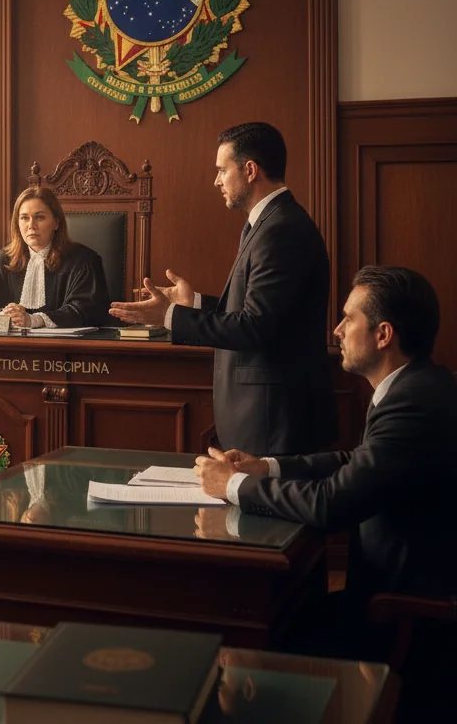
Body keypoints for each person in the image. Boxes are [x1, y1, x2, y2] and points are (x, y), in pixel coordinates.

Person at [195, 266, 457, 657]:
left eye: (349, 319)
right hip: (387, 594)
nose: (336, 330)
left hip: (401, 618)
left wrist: (231, 485)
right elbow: (357, 461)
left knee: (249, 627)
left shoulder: (412, 401)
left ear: (383, 335)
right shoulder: (419, 384)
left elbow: (332, 503)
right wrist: (267, 466)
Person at [109, 122, 334, 455]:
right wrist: (194, 302)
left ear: (250, 170)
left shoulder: (281, 230)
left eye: (221, 170)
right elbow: (258, 311)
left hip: (274, 419)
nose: (216, 181)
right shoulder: (270, 222)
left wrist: (170, 316)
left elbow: (256, 327)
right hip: (265, 415)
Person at [0, 186, 109, 328]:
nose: (31, 225)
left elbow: (87, 310)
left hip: (65, 348)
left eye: (39, 217)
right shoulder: (0, 261)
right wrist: (3, 317)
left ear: (56, 223)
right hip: (8, 349)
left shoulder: (83, 261)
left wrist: (35, 320)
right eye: (24, 218)